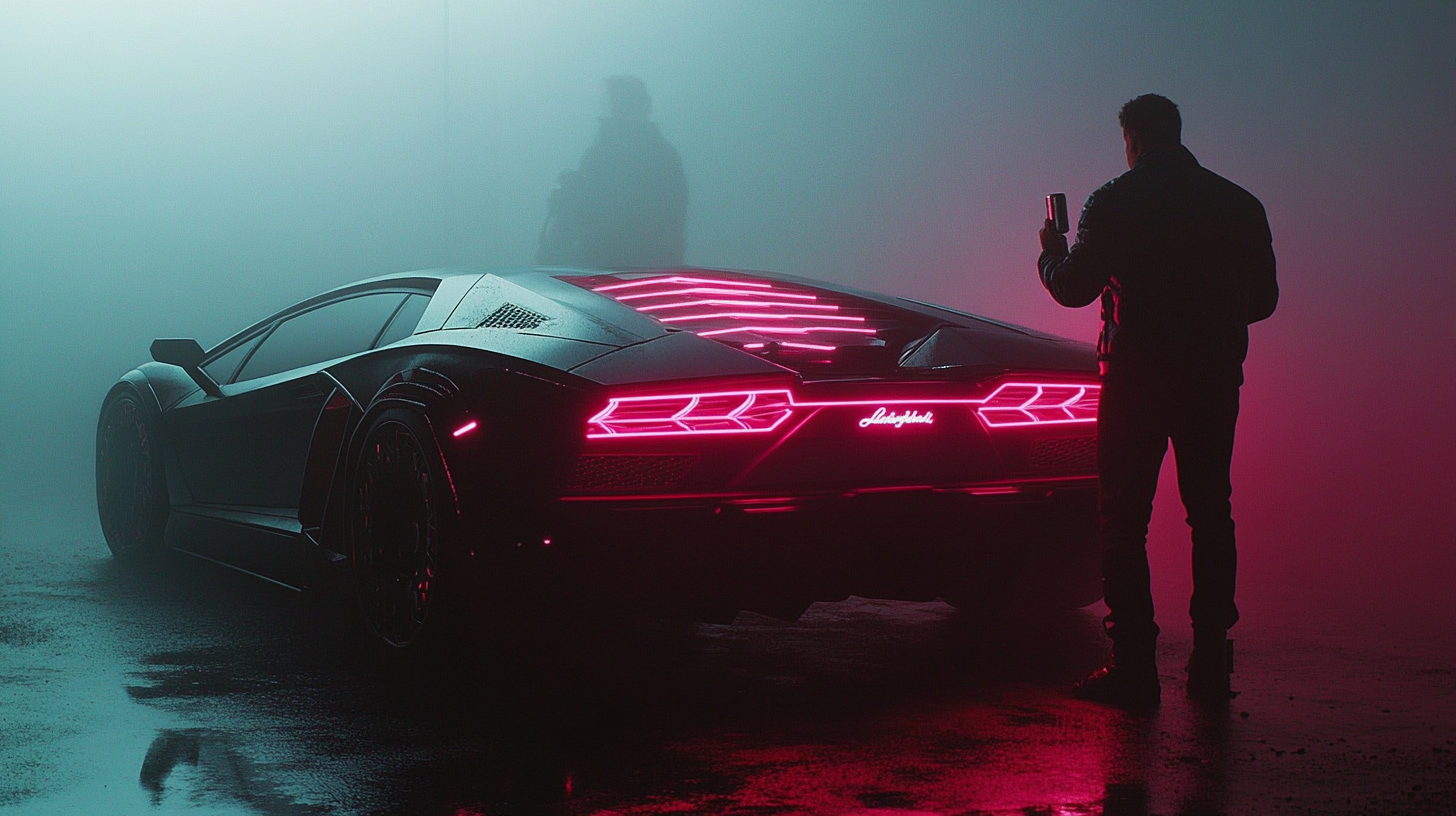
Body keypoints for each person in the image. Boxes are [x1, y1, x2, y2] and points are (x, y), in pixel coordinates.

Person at [1037, 94, 1278, 706]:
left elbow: (1072, 288)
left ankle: (1135, 667)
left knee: (1124, 520)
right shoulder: (1239, 205)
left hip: (1135, 381)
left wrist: (1050, 251)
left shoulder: (1112, 201)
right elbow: (1265, 300)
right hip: (1212, 379)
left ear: (1134, 138)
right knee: (1210, 512)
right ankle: (1210, 664)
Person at [537, 75, 688, 268]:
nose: (611, 112)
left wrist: (571, 201)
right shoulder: (662, 156)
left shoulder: (649, 159)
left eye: (620, 104)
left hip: (613, 276)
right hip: (604, 274)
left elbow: (614, 220)